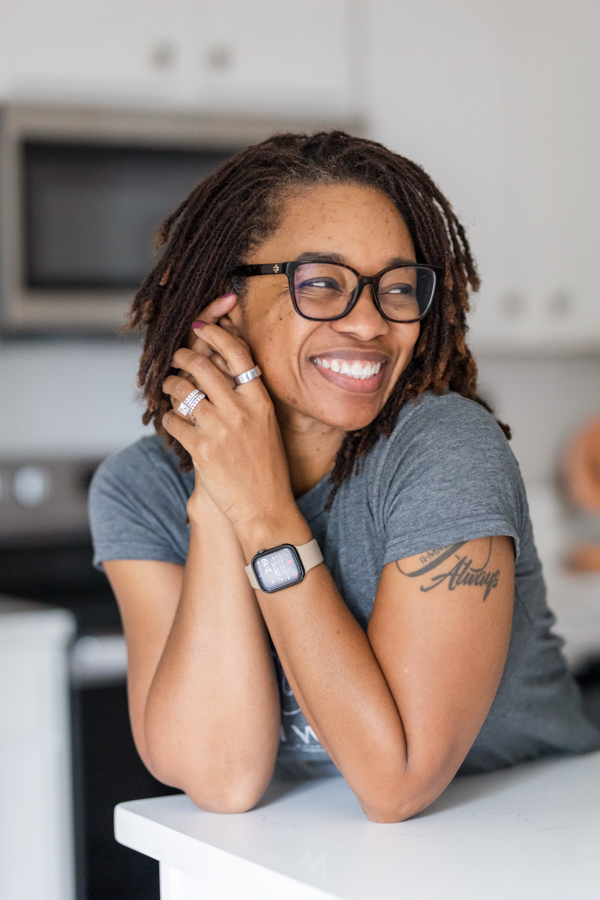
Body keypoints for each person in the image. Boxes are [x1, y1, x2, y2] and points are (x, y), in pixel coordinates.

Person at [89, 131, 600, 823]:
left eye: (396, 288)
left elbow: (398, 782)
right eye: (323, 283)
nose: (369, 323)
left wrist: (263, 512)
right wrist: (219, 493)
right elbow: (222, 779)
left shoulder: (444, 450)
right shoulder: (140, 488)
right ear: (222, 303)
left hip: (533, 832)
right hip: (311, 860)